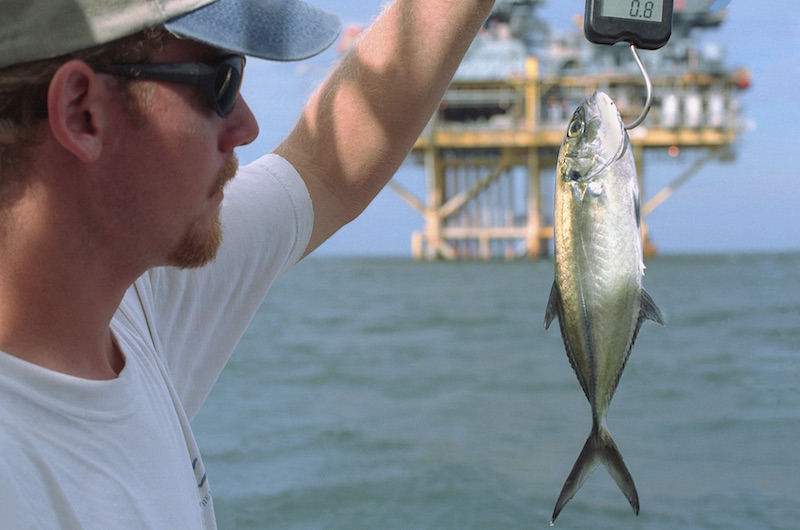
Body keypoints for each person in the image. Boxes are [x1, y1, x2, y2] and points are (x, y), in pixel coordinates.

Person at [0, 0, 496, 526]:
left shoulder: (117, 304)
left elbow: (325, 169)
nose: (247, 126)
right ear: (83, 113)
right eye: (221, 83)